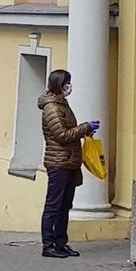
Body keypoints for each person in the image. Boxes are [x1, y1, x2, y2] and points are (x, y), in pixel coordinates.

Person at [38, 70, 99, 259]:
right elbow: (62, 135)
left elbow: (68, 131)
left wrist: (83, 130)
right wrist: (85, 128)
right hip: (59, 163)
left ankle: (60, 242)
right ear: (58, 84)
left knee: (65, 205)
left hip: (69, 161)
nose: (69, 86)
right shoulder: (52, 108)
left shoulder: (61, 104)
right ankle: (48, 245)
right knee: (54, 205)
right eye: (67, 82)